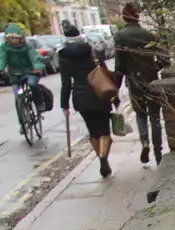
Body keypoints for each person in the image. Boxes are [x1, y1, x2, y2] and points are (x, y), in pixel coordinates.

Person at [58, 22, 115, 177]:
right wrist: (115, 97)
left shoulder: (62, 55)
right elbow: (105, 73)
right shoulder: (92, 50)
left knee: (93, 132)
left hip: (80, 98)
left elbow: (65, 83)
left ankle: (101, 160)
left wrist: (65, 105)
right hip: (99, 94)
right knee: (105, 130)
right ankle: (104, 158)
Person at [114, 2, 165, 165]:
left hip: (134, 82)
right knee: (155, 117)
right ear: (137, 16)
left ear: (124, 17)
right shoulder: (149, 35)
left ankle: (144, 141)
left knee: (141, 114)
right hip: (152, 80)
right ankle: (158, 152)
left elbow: (119, 66)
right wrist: (154, 67)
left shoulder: (120, 37)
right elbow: (164, 58)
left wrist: (115, 89)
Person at [3, 23, 44, 137]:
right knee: (18, 97)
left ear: (20, 38)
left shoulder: (27, 46)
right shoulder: (5, 47)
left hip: (28, 72)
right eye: (11, 38)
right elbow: (2, 59)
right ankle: (23, 123)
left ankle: (39, 103)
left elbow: (35, 57)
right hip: (15, 76)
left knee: (32, 84)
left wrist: (37, 67)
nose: (14, 40)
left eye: (16, 38)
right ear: (7, 38)